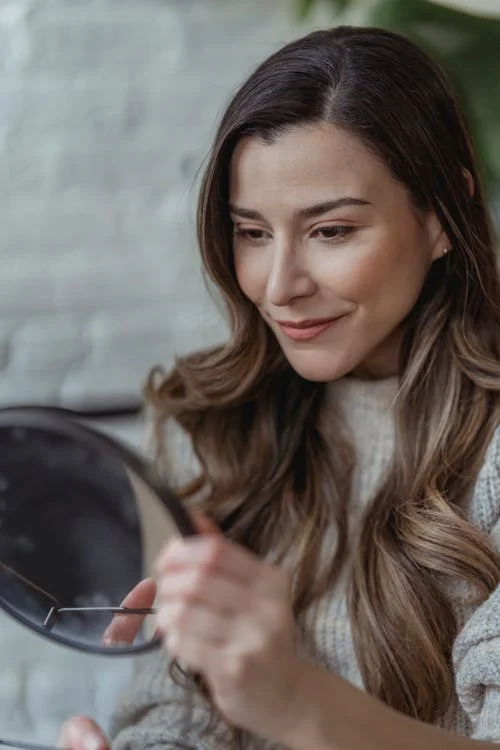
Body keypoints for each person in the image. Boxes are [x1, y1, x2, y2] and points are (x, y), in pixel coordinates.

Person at [58, 24, 500, 750]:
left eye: (330, 232)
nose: (279, 285)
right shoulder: (216, 423)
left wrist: (293, 698)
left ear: (441, 218)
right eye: (252, 233)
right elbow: (182, 708)